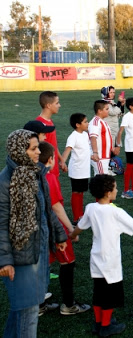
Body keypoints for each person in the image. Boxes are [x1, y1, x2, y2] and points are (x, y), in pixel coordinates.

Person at [68, 174, 133, 337]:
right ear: (108, 192)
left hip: (96, 258)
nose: (117, 189)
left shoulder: (91, 208)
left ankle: (98, 323)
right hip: (110, 260)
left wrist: (72, 236)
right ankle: (106, 326)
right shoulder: (115, 212)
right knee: (109, 295)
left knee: (98, 292)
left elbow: (80, 227)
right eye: (115, 187)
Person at [0, 129, 67, 337]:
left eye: (38, 147)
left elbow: (46, 209)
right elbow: (1, 223)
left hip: (37, 250)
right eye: (33, 149)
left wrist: (59, 235)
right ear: (19, 151)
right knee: (28, 314)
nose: (39, 152)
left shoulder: (36, 172)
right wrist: (5, 260)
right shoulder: (5, 181)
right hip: (20, 256)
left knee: (22, 309)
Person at [39, 142, 91, 316]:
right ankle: (68, 305)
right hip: (54, 227)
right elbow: (56, 206)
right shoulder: (48, 177)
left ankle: (38, 304)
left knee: (42, 265)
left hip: (39, 228)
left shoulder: (31, 174)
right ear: (51, 159)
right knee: (68, 262)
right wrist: (70, 229)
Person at [60, 113, 92, 222]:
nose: (88, 123)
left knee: (81, 192)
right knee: (76, 192)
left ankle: (81, 215)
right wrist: (62, 162)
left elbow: (86, 150)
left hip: (84, 169)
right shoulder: (73, 136)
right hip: (77, 170)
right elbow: (67, 151)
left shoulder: (85, 134)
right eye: (85, 122)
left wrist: (94, 156)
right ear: (78, 124)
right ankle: (76, 217)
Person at [89, 100, 120, 177]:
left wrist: (111, 148)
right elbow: (93, 138)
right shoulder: (96, 122)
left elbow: (105, 138)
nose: (108, 111)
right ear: (99, 111)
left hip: (104, 156)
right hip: (99, 156)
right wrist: (95, 153)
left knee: (101, 180)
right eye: (106, 109)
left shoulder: (102, 121)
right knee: (102, 180)